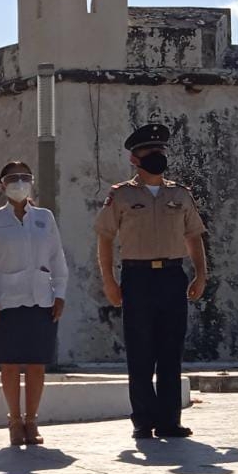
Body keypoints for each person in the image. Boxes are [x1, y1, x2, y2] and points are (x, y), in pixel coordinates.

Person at [94, 123, 208, 440]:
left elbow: (194, 236)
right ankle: (143, 420)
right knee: (141, 352)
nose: (157, 156)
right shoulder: (121, 195)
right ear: (135, 158)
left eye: (161, 151)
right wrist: (109, 281)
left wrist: (201, 274)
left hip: (172, 276)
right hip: (137, 277)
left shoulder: (180, 194)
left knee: (171, 351)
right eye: (149, 152)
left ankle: (170, 420)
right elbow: (104, 238)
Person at [0, 161, 68, 446]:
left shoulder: (44, 217)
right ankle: (14, 421)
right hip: (7, 300)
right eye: (13, 178)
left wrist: (60, 292)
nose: (19, 182)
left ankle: (32, 420)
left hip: (41, 298)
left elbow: (57, 257)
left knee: (37, 363)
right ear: (2, 184)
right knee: (10, 364)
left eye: (25, 177)